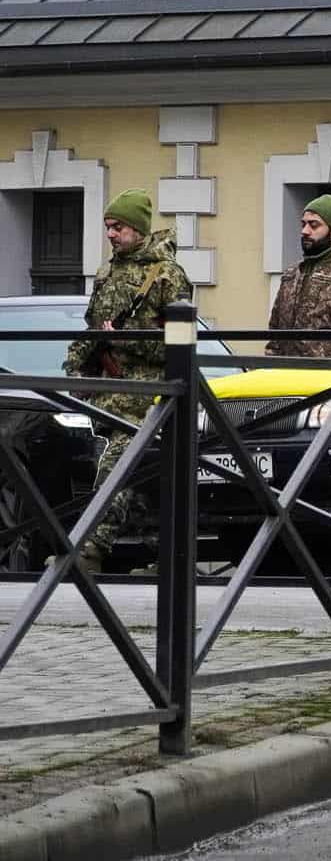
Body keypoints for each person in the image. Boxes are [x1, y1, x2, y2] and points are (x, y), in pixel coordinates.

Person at [65, 191, 192, 575]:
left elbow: (179, 345)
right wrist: (75, 368)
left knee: (115, 471)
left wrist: (126, 340)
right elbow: (92, 330)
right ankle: (169, 560)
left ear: (138, 229)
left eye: (118, 227)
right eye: (107, 227)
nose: (111, 234)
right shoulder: (107, 274)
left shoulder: (167, 275)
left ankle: (86, 551)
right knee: (143, 485)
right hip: (108, 398)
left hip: (148, 399)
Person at [267, 194, 331, 361]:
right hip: (284, 373)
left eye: (314, 225)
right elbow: (274, 332)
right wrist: (270, 364)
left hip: (329, 374)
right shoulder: (291, 274)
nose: (305, 231)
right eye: (304, 224)